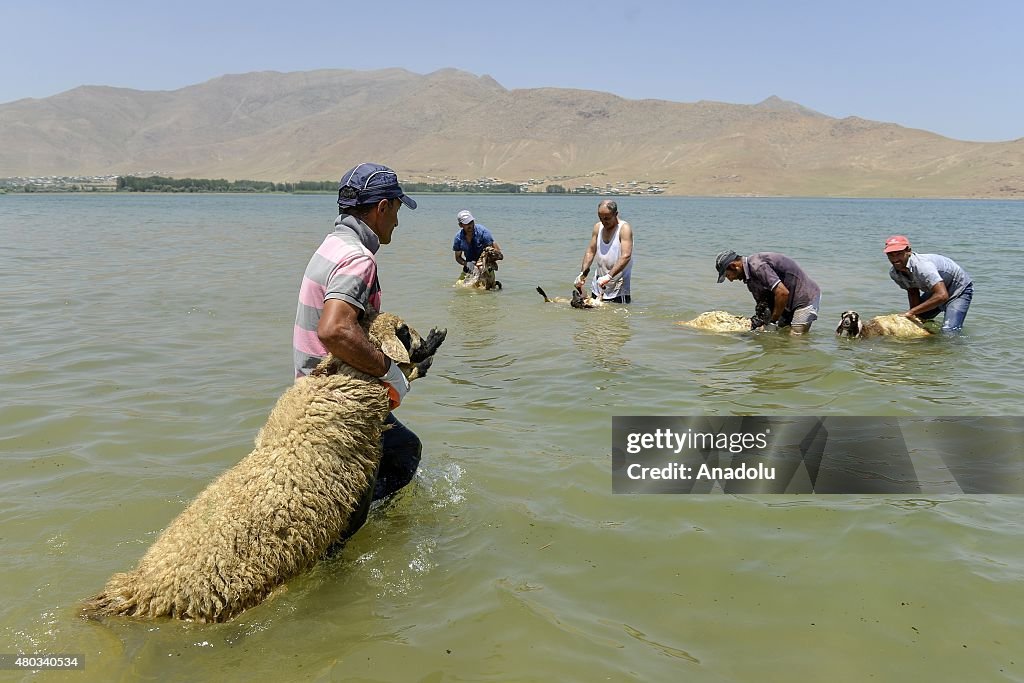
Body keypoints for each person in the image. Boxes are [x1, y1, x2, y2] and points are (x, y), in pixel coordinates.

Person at [292, 162, 422, 535]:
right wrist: (390, 372)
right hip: (335, 399)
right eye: (396, 211)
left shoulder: (331, 245)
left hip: (308, 388)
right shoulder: (357, 258)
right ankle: (342, 555)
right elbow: (334, 330)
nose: (397, 222)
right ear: (382, 208)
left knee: (401, 448)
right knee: (401, 453)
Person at [715, 249, 821, 333]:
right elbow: (764, 304)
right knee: (775, 333)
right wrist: (758, 323)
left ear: (734, 266)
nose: (731, 280)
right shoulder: (749, 278)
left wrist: (773, 322)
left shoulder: (758, 267)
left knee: (795, 338)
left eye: (728, 275)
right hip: (786, 301)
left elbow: (783, 293)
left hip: (804, 298)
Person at [882, 235, 973, 332]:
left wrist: (911, 312)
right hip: (937, 289)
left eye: (899, 254)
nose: (895, 259)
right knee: (918, 318)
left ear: (908, 251)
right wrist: (914, 316)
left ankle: (955, 344)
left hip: (958, 288)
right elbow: (913, 292)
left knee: (949, 331)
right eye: (891, 255)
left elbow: (942, 295)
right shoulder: (895, 273)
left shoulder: (923, 266)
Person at [573, 200, 634, 303]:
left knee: (616, 318)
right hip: (598, 285)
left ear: (616, 214)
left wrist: (608, 276)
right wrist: (582, 274)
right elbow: (591, 251)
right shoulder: (598, 227)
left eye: (607, 218)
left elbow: (626, 256)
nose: (603, 221)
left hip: (618, 287)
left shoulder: (624, 229)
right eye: (600, 218)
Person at [452, 210, 501, 275]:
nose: (470, 225)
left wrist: (488, 261)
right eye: (467, 223)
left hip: (485, 265)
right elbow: (458, 257)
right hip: (470, 266)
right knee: (459, 285)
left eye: (471, 222)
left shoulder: (483, 232)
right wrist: (467, 264)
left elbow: (497, 252)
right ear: (460, 225)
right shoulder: (458, 238)